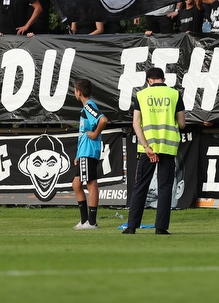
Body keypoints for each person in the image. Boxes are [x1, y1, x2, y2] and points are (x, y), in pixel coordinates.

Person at [122, 67, 186, 235]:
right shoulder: (174, 94)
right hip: (168, 146)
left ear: (149, 80)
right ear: (163, 79)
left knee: (140, 186)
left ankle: (131, 227)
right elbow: (182, 124)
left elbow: (136, 124)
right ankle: (161, 228)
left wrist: (147, 147)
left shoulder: (141, 95)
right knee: (165, 187)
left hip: (147, 148)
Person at [71, 78, 107, 230]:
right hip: (83, 152)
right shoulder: (85, 108)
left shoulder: (89, 106)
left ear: (79, 92)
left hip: (89, 151)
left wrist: (96, 133)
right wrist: (78, 155)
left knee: (91, 184)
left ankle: (92, 222)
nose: (74, 92)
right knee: (76, 184)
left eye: (75, 90)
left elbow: (103, 120)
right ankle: (85, 220)